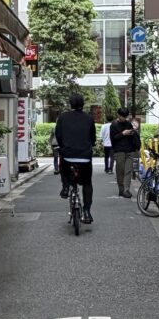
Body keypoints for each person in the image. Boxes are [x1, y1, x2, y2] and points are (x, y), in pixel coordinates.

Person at [54, 93, 96, 223]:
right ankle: (87, 211)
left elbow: (58, 135)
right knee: (87, 183)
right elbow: (92, 137)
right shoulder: (89, 118)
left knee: (64, 165)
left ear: (70, 104)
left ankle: (66, 187)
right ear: (83, 104)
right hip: (85, 157)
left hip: (68, 156)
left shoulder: (63, 117)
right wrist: (90, 144)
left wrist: (64, 146)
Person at [111, 107, 141, 198]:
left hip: (130, 150)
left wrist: (132, 132)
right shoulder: (114, 125)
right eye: (122, 116)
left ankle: (126, 190)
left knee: (128, 171)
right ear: (118, 115)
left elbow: (133, 135)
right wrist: (122, 133)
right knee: (120, 171)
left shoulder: (128, 124)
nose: (124, 118)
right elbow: (113, 139)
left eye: (126, 116)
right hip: (119, 151)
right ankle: (121, 189)